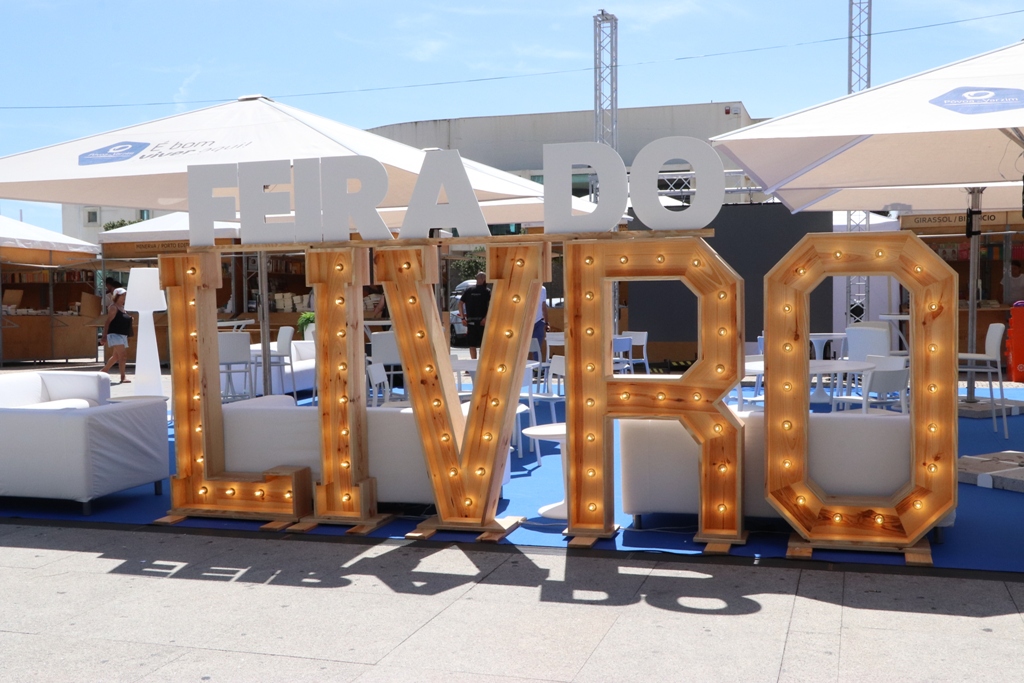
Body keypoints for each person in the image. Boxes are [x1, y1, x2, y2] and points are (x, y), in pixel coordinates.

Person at [100, 276, 133, 384]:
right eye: (122, 295)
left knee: (116, 356)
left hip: (122, 334)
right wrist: (104, 336)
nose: (124, 297)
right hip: (115, 334)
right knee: (123, 356)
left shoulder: (123, 308)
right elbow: (108, 322)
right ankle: (123, 377)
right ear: (117, 297)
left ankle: (104, 371)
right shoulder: (113, 307)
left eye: (125, 295)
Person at [458, 272, 490, 359]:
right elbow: (491, 305)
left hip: (471, 321)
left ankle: (473, 363)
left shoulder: (469, 290)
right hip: (482, 322)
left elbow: (460, 303)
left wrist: (462, 318)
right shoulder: (486, 291)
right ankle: (481, 363)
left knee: (472, 345)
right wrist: (486, 318)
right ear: (483, 279)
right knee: (483, 344)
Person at [532, 284, 549, 361]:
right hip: (526, 322)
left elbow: (543, 306)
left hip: (539, 322)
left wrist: (546, 323)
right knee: (523, 347)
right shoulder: (525, 286)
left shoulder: (543, 289)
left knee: (537, 347)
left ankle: (537, 370)